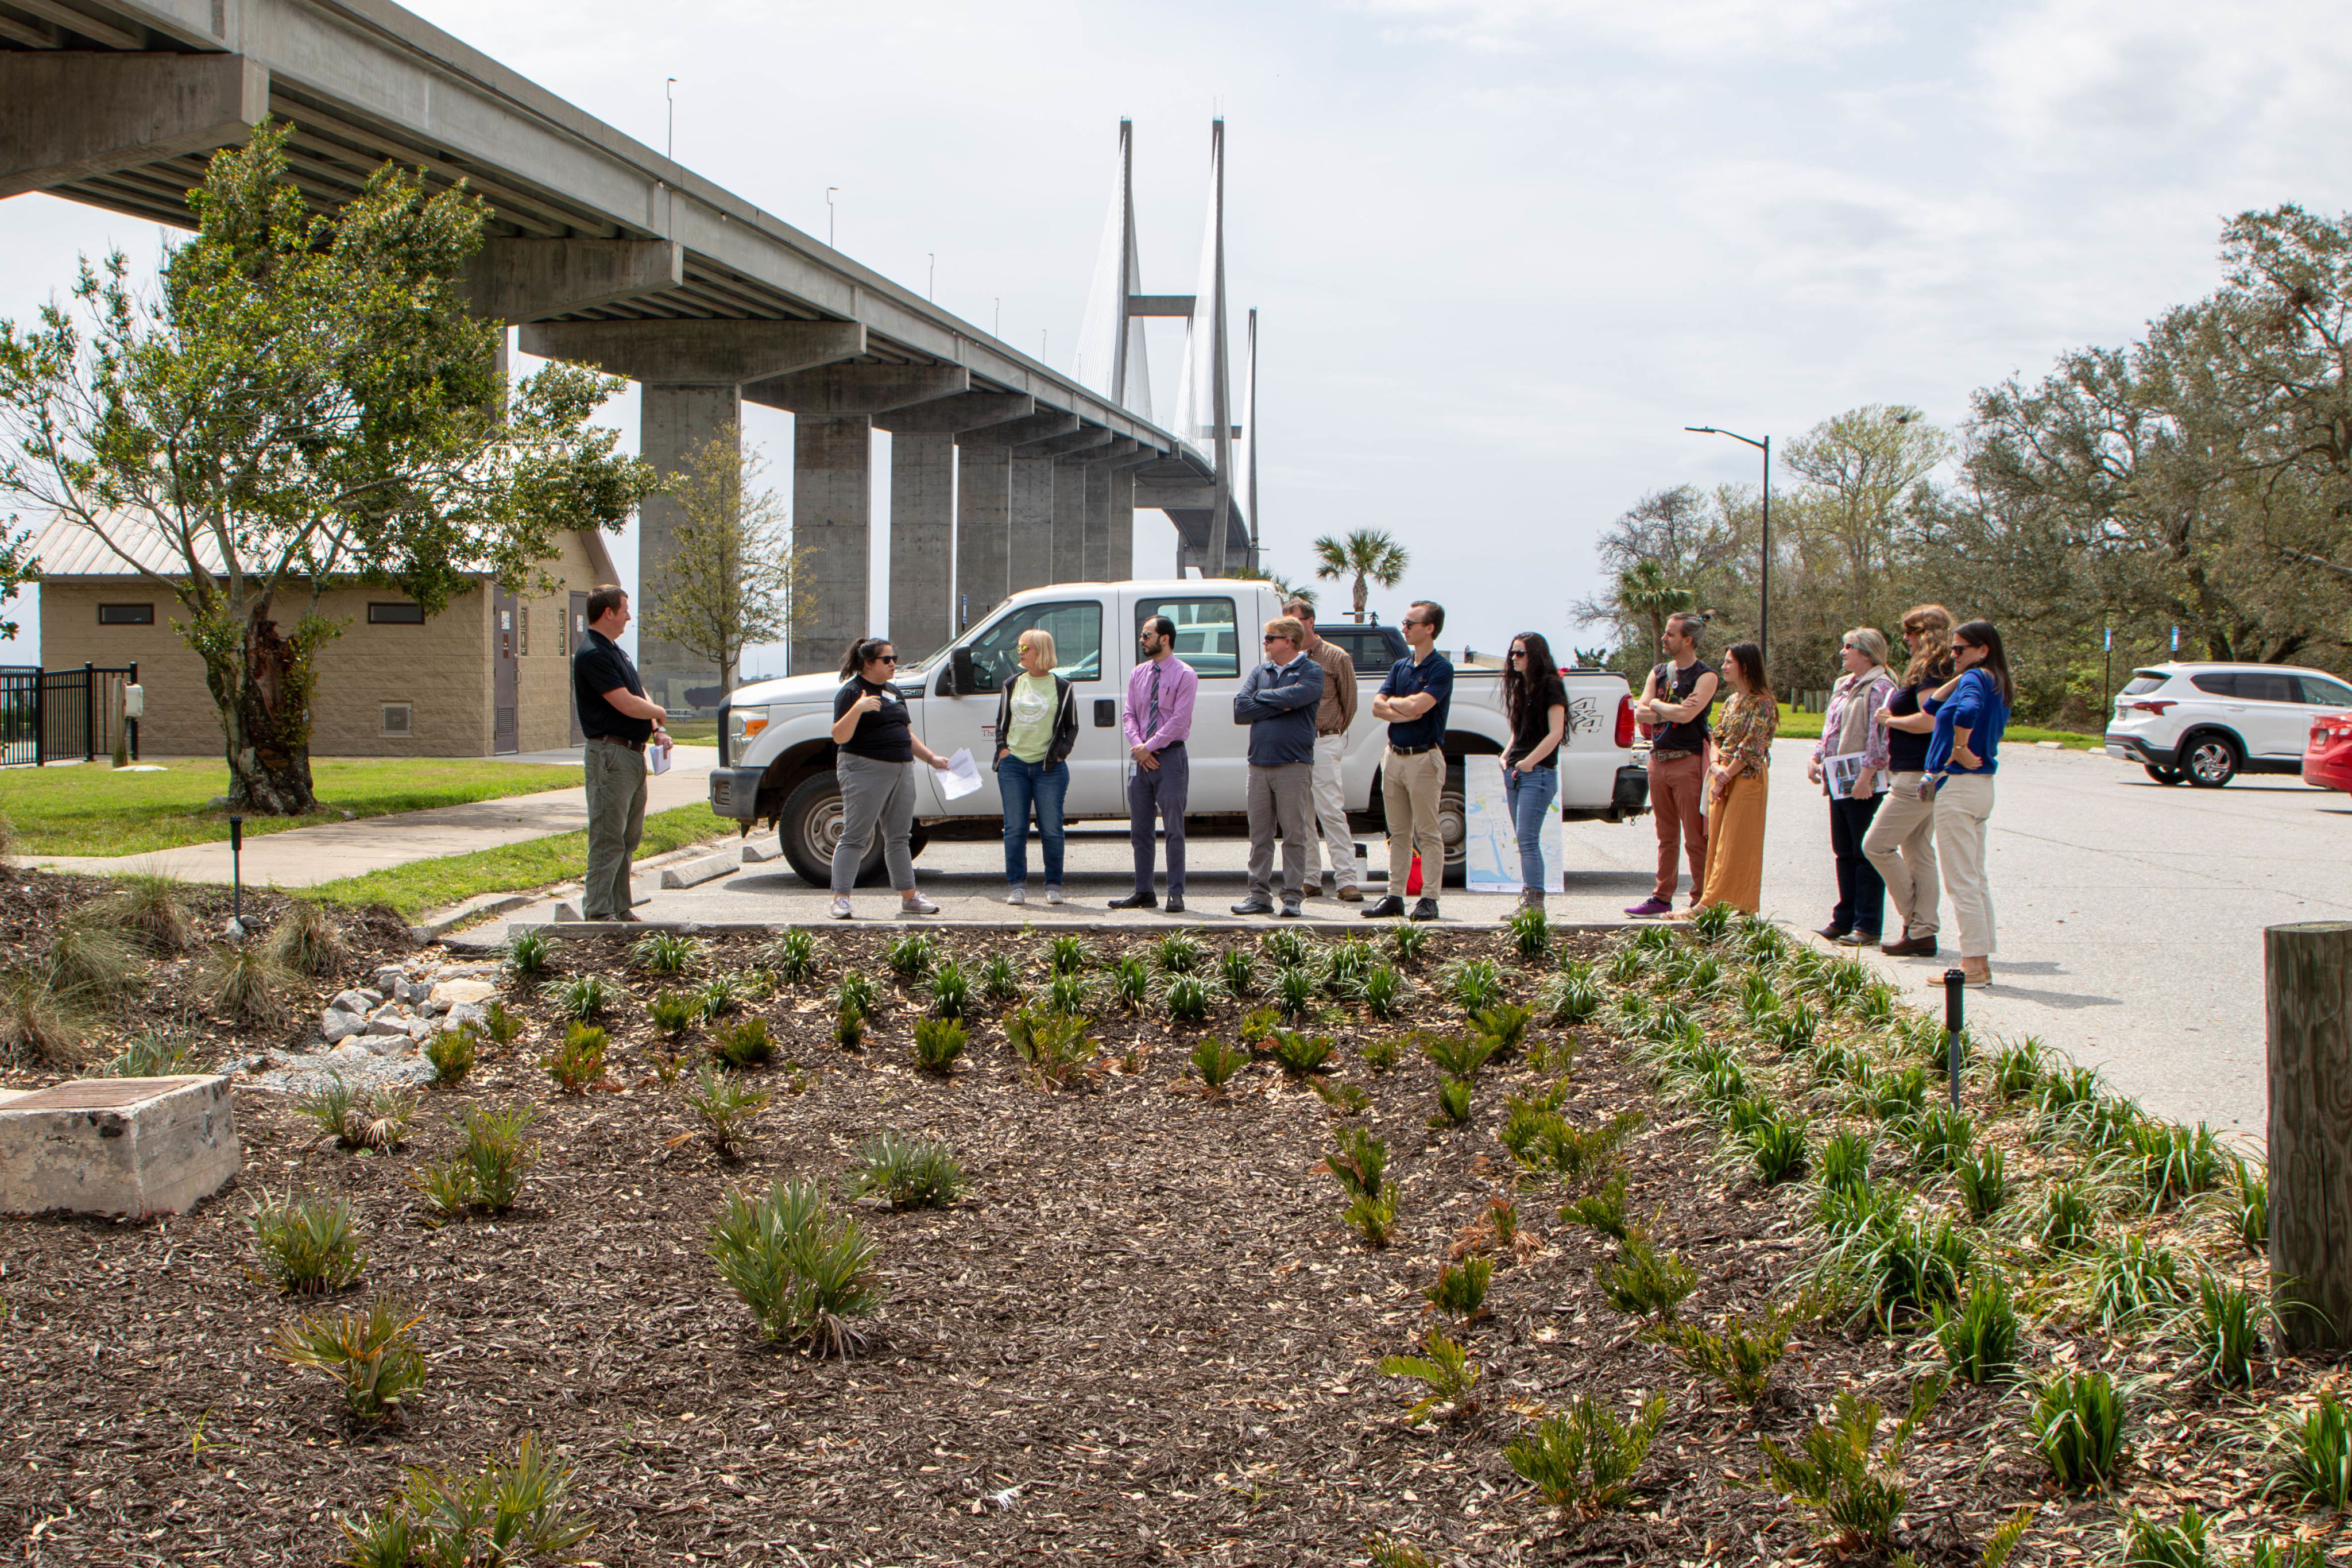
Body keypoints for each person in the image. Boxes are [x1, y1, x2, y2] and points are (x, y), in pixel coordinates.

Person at [829, 636, 952, 920]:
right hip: (864, 768)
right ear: (868, 664)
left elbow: (906, 734)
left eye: (894, 658)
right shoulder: (852, 693)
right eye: (886, 660)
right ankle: (841, 899)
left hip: (902, 768)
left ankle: (909, 897)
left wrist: (931, 758)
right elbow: (839, 736)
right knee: (855, 834)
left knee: (899, 836)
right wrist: (858, 709)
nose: (893, 663)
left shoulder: (894, 692)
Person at [570, 585, 673, 923]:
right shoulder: (593, 654)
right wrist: (659, 709)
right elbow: (625, 703)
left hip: (631, 755)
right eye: (625, 609)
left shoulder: (615, 652)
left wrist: (657, 728)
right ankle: (599, 913)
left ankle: (620, 907)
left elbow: (636, 691)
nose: (629, 616)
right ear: (608, 612)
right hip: (609, 755)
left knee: (628, 838)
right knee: (607, 837)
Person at [1920, 619, 2013, 988]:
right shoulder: (1993, 680)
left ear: (1983, 650)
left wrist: (1959, 747)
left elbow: (1966, 712)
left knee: (1961, 881)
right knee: (1975, 877)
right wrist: (1962, 673)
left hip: (1958, 786)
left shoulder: (1977, 681)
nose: (1951, 655)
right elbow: (1931, 705)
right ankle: (1981, 961)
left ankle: (1973, 966)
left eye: (1959, 650)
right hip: (1981, 787)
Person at [1863, 605, 1955, 957]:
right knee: (1918, 852)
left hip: (1916, 773)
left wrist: (1889, 720)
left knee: (1876, 846)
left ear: (1926, 633)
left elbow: (1929, 721)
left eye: (1911, 632)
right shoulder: (1937, 667)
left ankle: (1915, 920)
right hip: (1921, 771)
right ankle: (1922, 931)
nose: (1906, 639)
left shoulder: (1933, 669)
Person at [1362, 600, 1454, 922]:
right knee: (1398, 832)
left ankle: (1429, 898)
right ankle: (1395, 895)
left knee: (1428, 832)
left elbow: (1422, 706)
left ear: (1429, 628)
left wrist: (1398, 708)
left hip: (1424, 758)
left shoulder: (1441, 668)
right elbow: (1377, 706)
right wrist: (1405, 710)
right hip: (1394, 758)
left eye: (1410, 623)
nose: (1405, 628)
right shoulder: (1400, 667)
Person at [1624, 611, 1718, 918]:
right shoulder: (1659, 672)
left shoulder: (1706, 676)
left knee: (1695, 836)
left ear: (1688, 640)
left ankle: (1700, 900)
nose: (1664, 638)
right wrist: (1668, 709)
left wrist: (1659, 708)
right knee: (1666, 836)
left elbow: (1687, 715)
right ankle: (1662, 897)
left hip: (1688, 761)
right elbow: (1640, 712)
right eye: (1665, 633)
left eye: (1671, 634)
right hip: (1658, 760)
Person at [1231, 615, 1325, 917]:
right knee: (1260, 835)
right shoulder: (1261, 671)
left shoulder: (1311, 671)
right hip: (1258, 764)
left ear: (1288, 641)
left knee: (1294, 834)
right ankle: (1258, 895)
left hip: (1294, 765)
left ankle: (1293, 896)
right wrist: (1277, 703)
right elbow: (1241, 708)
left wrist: (1262, 701)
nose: (1265, 643)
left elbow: (1301, 696)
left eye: (1270, 638)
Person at [1807, 628, 1896, 946]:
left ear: (1868, 652)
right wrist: (1816, 757)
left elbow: (1880, 736)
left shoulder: (1881, 687)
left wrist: (1866, 777)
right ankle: (1843, 919)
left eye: (1849, 647)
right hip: (1838, 779)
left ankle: (1868, 925)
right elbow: (1831, 728)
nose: (1843, 652)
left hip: (1863, 782)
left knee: (1864, 853)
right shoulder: (1842, 686)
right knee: (1843, 852)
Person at [1111, 616, 1199, 913]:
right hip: (1140, 760)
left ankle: (1176, 892)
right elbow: (1128, 715)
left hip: (1169, 758)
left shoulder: (1185, 674)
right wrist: (1139, 747)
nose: (1142, 639)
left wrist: (1149, 747)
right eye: (1142, 634)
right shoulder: (1138, 673)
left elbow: (1180, 720)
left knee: (1174, 827)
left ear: (1165, 639)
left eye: (1147, 635)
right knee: (1140, 830)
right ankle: (1144, 891)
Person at [993, 628, 1080, 905]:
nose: (1019, 653)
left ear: (1040, 652)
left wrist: (1062, 753)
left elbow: (1072, 727)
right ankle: (1016, 886)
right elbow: (1000, 723)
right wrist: (1003, 750)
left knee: (1052, 829)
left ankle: (1053, 885)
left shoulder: (1063, 688)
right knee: (1015, 828)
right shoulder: (1011, 683)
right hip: (1013, 766)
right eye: (1018, 648)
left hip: (1049, 769)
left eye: (1024, 648)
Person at [1285, 598, 1361, 902]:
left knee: (1331, 810)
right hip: (1295, 742)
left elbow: (1350, 703)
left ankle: (1346, 880)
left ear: (1310, 622)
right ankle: (1310, 878)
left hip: (1324, 739)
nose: (1291, 629)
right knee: (1301, 815)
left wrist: (1331, 734)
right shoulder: (1286, 659)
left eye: (1296, 622)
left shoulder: (1335, 657)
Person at [1697, 640, 1777, 914]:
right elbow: (1717, 735)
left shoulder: (1763, 704)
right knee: (1718, 842)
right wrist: (1716, 766)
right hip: (1724, 774)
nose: (1724, 666)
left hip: (1745, 777)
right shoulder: (1732, 701)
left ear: (1746, 665)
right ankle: (1715, 903)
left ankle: (1734, 906)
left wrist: (1725, 776)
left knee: (1738, 842)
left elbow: (1752, 746)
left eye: (1730, 661)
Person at [1499, 630, 1569, 911]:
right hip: (1516, 771)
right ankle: (1529, 901)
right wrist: (1506, 756)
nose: (1514, 659)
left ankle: (1534, 903)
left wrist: (1530, 762)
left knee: (1528, 839)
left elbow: (1556, 733)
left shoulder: (1551, 685)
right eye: (1512, 653)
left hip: (1538, 773)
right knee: (1523, 839)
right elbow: (1519, 731)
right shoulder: (1522, 687)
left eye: (1521, 654)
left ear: (1536, 656)